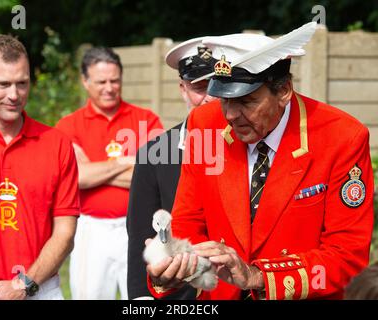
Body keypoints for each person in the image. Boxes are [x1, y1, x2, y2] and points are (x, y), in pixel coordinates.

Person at [145, 23, 374, 300]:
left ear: (284, 91)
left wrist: (258, 276)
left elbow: (347, 257)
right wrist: (172, 264)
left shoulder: (341, 137)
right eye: (224, 100)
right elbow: (188, 221)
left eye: (246, 101)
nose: (230, 115)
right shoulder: (204, 124)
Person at [0, 34, 79, 300]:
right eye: (3, 84)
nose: (14, 95)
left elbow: (65, 232)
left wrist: (22, 285)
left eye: (22, 84)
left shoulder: (57, 144)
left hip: (39, 289)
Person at [56, 47, 163, 300]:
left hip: (138, 227)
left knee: (141, 299)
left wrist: (96, 169)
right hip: (90, 229)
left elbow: (155, 178)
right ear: (85, 81)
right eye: (101, 81)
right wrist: (129, 161)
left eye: (114, 80)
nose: (109, 87)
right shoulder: (68, 125)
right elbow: (77, 178)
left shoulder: (146, 120)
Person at [126, 37, 217, 300]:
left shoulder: (252, 145)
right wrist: (142, 300)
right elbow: (140, 237)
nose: (210, 97)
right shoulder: (154, 155)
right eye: (199, 87)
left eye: (218, 86)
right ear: (183, 89)